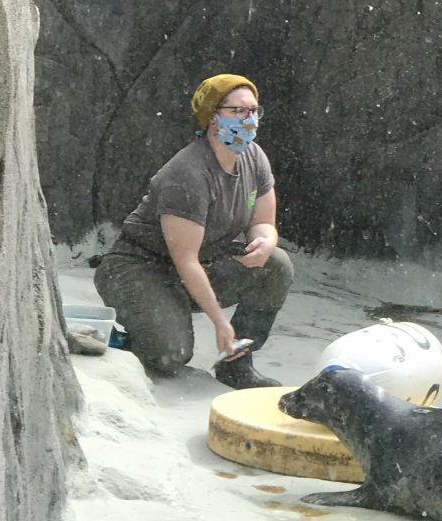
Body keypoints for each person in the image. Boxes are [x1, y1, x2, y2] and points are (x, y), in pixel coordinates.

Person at [94, 73, 293, 389]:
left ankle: (237, 364)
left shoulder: (254, 158)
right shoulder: (187, 175)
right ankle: (127, 334)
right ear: (214, 120)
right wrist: (219, 323)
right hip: (139, 269)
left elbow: (264, 221)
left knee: (277, 265)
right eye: (238, 111)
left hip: (200, 265)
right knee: (170, 355)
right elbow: (186, 261)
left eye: (254, 111)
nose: (250, 119)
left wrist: (265, 240)